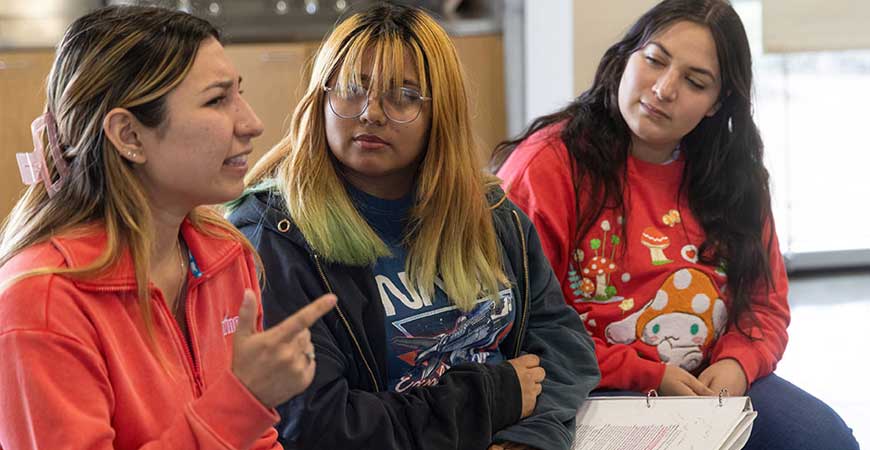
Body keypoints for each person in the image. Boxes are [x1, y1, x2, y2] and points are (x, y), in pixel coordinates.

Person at [228, 4, 599, 450]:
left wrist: (527, 439)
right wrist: (489, 400)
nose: (370, 114)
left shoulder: (492, 211)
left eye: (403, 96)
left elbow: (563, 346)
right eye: (350, 89)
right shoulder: (276, 236)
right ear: (320, 100)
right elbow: (324, 425)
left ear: (441, 113)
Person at [495, 0, 859, 448]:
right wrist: (649, 375)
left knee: (825, 439)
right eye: (654, 60)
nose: (664, 89)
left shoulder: (735, 175)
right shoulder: (546, 165)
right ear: (625, 56)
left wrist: (738, 366)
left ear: (716, 102)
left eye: (695, 81)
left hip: (708, 386)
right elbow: (522, 324)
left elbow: (765, 305)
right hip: (585, 384)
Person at [0, 6, 335, 449]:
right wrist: (243, 401)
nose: (252, 124)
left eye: (238, 94)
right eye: (217, 100)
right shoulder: (41, 303)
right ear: (129, 136)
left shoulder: (226, 255)